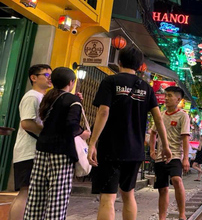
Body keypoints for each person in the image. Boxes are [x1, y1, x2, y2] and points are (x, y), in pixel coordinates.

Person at [87, 46, 171, 220]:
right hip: (135, 150)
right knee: (128, 194)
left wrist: (92, 143)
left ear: (119, 61)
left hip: (110, 148)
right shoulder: (147, 88)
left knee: (107, 198)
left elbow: (103, 112)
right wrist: (166, 146)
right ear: (140, 66)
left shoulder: (110, 82)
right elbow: (158, 119)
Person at [23, 67, 90, 220]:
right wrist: (82, 133)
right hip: (61, 153)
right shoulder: (73, 101)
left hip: (41, 150)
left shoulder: (48, 97)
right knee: (57, 199)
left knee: (36, 196)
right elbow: (71, 125)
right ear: (71, 82)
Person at [8, 64, 52, 220]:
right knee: (25, 192)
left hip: (33, 152)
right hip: (28, 152)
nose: (50, 78)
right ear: (34, 78)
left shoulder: (40, 97)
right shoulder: (32, 96)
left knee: (31, 193)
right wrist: (48, 132)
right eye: (46, 75)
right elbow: (26, 123)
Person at [149, 86, 190, 220]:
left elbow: (185, 138)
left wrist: (186, 159)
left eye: (170, 95)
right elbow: (153, 133)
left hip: (176, 155)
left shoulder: (183, 116)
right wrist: (151, 150)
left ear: (178, 99)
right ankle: (162, 217)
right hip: (160, 157)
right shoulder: (160, 115)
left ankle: (182, 214)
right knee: (162, 188)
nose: (166, 98)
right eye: (165, 95)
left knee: (177, 180)